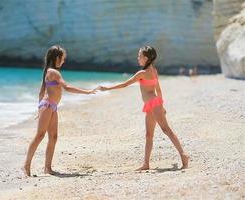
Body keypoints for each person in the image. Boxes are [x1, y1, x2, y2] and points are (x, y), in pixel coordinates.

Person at [98, 46, 189, 170]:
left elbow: (125, 84)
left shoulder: (142, 73)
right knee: (148, 135)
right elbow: (158, 89)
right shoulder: (154, 70)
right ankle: (146, 164)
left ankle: (183, 155)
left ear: (146, 58)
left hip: (154, 104)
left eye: (139, 56)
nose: (138, 58)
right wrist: (161, 105)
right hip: (152, 105)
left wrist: (107, 88)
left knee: (166, 130)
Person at [23, 45, 97, 176]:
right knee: (40, 135)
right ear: (57, 58)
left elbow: (42, 91)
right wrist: (87, 92)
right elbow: (67, 87)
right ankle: (26, 165)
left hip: (52, 107)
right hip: (47, 106)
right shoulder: (53, 72)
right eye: (63, 58)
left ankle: (47, 168)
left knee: (53, 137)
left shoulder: (50, 72)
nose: (63, 61)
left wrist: (38, 107)